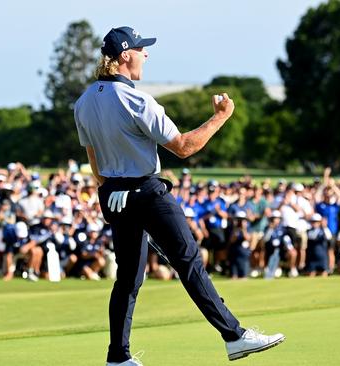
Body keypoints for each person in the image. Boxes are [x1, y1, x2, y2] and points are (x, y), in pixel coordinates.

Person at [74, 26, 284, 365]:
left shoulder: (84, 102)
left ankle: (118, 356)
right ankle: (234, 337)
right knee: (188, 261)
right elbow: (184, 147)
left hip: (114, 195)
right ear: (126, 55)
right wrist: (219, 118)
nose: (147, 55)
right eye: (142, 49)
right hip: (147, 192)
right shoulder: (137, 100)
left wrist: (114, 191)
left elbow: (95, 164)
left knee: (128, 278)